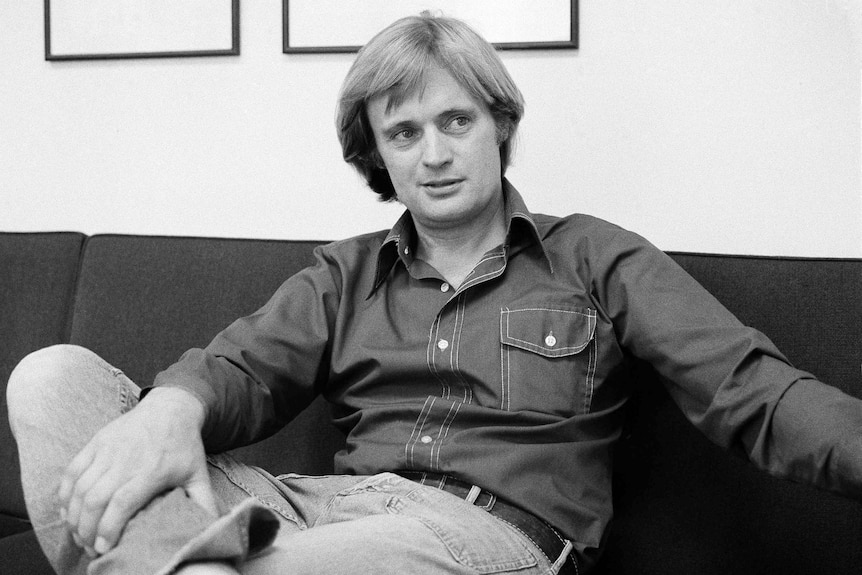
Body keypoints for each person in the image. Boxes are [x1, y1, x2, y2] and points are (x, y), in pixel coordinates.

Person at [7, 11, 862, 575]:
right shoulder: (345, 272)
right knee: (51, 379)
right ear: (380, 158)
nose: (435, 153)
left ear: (500, 125)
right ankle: (188, 563)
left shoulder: (595, 256)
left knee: (224, 558)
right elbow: (242, 371)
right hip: (321, 515)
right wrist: (172, 409)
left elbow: (756, 393)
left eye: (456, 121)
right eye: (404, 133)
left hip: (489, 535)